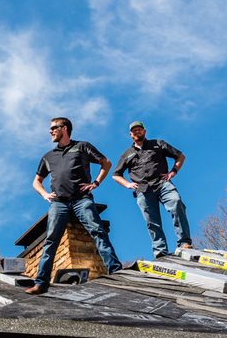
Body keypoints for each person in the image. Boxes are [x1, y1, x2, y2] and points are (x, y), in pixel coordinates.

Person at [26, 117, 122, 295]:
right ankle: (41, 283)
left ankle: (115, 271)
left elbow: (106, 163)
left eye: (54, 128)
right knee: (51, 241)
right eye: (50, 128)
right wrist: (45, 194)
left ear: (65, 128)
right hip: (58, 203)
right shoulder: (48, 157)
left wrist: (96, 183)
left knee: (98, 232)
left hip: (82, 200)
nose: (50, 131)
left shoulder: (82, 146)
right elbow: (36, 181)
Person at [111, 120, 192, 258]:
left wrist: (173, 172)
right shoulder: (127, 154)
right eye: (134, 130)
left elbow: (180, 156)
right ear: (131, 135)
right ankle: (160, 252)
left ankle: (184, 242)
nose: (137, 132)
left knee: (176, 202)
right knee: (152, 221)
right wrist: (128, 184)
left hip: (162, 183)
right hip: (143, 190)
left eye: (139, 129)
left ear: (144, 131)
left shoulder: (158, 143)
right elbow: (116, 175)